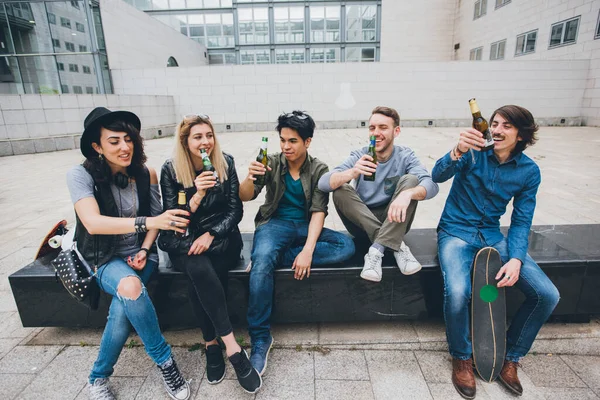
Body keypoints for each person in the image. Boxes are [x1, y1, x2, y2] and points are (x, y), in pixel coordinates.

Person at [432, 105, 560, 399]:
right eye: (495, 123)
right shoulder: (473, 153)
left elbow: (521, 220)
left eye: (506, 126)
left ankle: (510, 357)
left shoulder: (529, 171)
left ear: (521, 135)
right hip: (455, 231)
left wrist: (515, 258)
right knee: (458, 292)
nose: (497, 130)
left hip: (492, 235)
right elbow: (437, 176)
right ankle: (462, 357)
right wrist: (458, 150)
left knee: (547, 294)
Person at [66, 107, 191, 400]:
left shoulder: (145, 173)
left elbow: (158, 220)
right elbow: (93, 223)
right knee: (130, 286)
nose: (125, 147)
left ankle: (97, 378)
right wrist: (147, 223)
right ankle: (166, 361)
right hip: (102, 258)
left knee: (123, 307)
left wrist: (146, 249)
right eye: (114, 141)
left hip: (142, 254)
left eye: (128, 139)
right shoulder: (80, 175)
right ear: (96, 146)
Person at [239, 111, 355, 375]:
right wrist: (249, 176)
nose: (286, 146)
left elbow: (318, 212)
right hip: (275, 224)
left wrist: (307, 251)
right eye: (282, 140)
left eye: (292, 141)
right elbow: (245, 196)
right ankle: (260, 338)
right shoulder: (271, 162)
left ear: (307, 142)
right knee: (262, 262)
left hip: (305, 225)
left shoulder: (319, 168)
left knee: (346, 247)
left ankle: (266, 258)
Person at [159, 114, 261, 393]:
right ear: (185, 141)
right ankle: (230, 347)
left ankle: (211, 345)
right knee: (197, 265)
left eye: (209, 135)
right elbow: (173, 222)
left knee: (200, 270)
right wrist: (197, 195)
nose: (205, 142)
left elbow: (235, 210)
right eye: (198, 137)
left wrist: (212, 233)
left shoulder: (224, 162)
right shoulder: (171, 170)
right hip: (186, 241)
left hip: (222, 239)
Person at [318, 106, 439, 282]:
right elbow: (323, 183)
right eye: (372, 128)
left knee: (411, 180)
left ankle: (376, 251)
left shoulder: (405, 156)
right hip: (361, 223)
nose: (376, 133)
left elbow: (432, 185)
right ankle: (395, 246)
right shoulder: (361, 154)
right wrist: (352, 172)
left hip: (394, 218)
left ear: (396, 131)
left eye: (383, 127)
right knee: (340, 189)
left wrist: (408, 194)